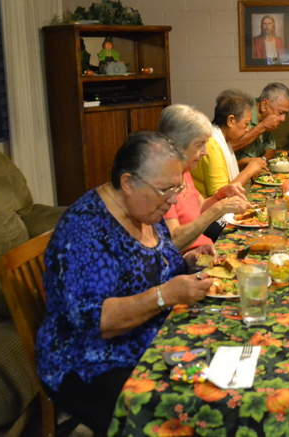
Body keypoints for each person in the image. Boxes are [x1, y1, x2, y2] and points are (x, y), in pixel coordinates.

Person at [35, 131, 216, 436]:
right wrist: (164, 296)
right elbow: (96, 321)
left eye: (177, 187)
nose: (172, 199)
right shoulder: (87, 230)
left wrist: (187, 262)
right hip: (90, 361)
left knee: (229, 359)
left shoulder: (146, 207)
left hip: (151, 336)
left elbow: (159, 263)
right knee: (196, 403)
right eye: (165, 190)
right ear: (128, 182)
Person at [158, 104, 252, 250]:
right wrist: (219, 208)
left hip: (205, 248)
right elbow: (174, 240)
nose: (205, 152)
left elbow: (200, 207)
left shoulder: (185, 171)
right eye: (199, 144)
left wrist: (219, 196)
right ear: (177, 145)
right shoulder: (162, 182)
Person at [190, 90, 267, 197]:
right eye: (246, 124)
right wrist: (249, 170)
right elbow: (220, 196)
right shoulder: (211, 145)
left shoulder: (220, 139)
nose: (248, 129)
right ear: (231, 120)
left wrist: (245, 162)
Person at [232, 82, 289, 169]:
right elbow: (229, 147)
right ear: (264, 105)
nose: (283, 119)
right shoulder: (241, 111)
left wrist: (262, 161)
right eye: (281, 113)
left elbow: (270, 148)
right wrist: (263, 126)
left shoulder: (266, 118)